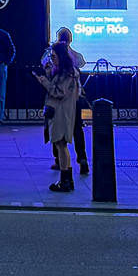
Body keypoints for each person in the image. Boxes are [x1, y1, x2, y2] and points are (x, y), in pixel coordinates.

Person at [36, 39, 83, 193]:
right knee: (62, 145)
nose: (52, 59)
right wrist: (49, 73)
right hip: (65, 111)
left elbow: (59, 92)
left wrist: (45, 83)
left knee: (60, 145)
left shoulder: (67, 73)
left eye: (54, 57)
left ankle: (64, 182)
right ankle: (67, 178)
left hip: (60, 112)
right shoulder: (67, 72)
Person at [42, 27, 89, 175]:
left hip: (62, 100)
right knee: (77, 128)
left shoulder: (55, 52)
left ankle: (59, 161)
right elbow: (82, 62)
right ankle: (82, 158)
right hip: (76, 96)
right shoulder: (74, 55)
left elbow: (44, 62)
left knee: (57, 132)